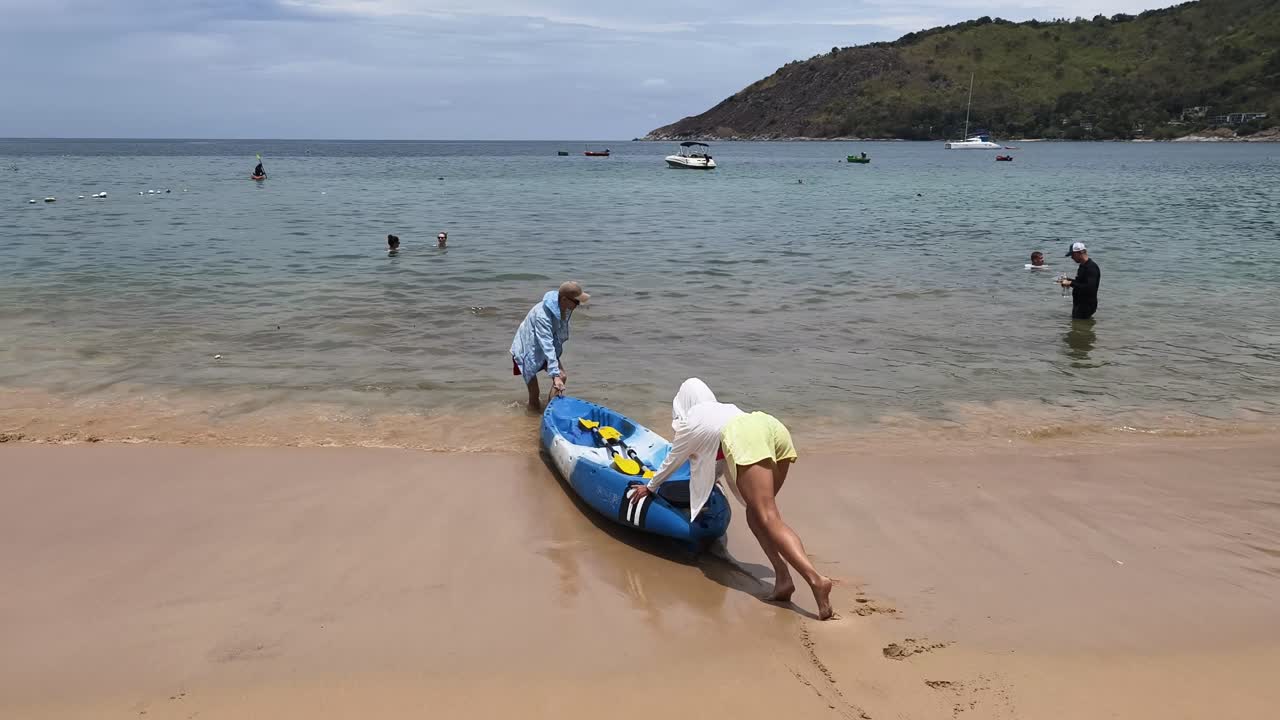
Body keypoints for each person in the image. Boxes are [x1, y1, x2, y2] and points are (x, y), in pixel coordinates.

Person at [629, 379, 834, 620]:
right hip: (772, 428)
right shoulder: (723, 411)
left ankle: (816, 580)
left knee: (768, 516)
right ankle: (783, 580)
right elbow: (718, 460)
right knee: (759, 515)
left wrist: (650, 487)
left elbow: (673, 460)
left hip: (748, 436)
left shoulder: (692, 422)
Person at [510, 281, 589, 409]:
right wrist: (554, 375)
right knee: (534, 394)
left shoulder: (561, 306)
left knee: (562, 376)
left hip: (545, 347)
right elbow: (546, 344)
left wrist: (557, 376)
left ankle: (550, 411)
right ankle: (532, 419)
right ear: (564, 299)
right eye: (576, 302)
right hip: (526, 350)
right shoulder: (542, 316)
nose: (578, 305)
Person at [1059, 242, 1100, 319]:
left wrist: (1070, 283)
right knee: (1077, 327)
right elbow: (1080, 283)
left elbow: (1090, 287)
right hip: (1079, 303)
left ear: (1080, 252)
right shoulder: (1082, 266)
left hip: (1086, 305)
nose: (1071, 257)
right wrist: (1068, 281)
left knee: (1080, 327)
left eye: (1073, 255)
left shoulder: (1091, 268)